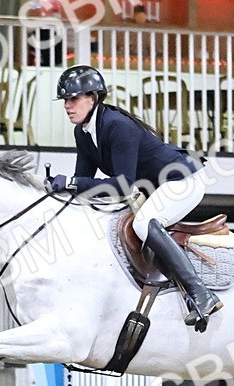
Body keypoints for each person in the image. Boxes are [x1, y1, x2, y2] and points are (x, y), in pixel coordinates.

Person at [49, 65, 221, 331]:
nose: (67, 106)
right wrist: (64, 190)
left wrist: (72, 183)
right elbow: (85, 180)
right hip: (155, 187)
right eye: (65, 100)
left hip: (181, 180)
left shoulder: (117, 126)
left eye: (73, 99)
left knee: (143, 224)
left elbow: (122, 185)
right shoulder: (82, 132)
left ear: (93, 97)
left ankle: (201, 293)